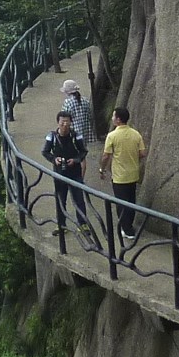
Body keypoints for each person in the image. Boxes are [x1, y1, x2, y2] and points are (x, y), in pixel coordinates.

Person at [98, 106, 146, 242]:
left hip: (120, 175)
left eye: (114, 116)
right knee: (131, 200)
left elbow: (106, 156)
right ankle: (128, 225)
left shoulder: (112, 136)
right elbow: (142, 153)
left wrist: (102, 169)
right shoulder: (135, 134)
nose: (112, 118)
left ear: (118, 119)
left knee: (121, 202)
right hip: (133, 173)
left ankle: (126, 229)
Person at [42, 111, 91, 235]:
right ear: (58, 122)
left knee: (79, 199)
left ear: (71, 122)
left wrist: (75, 160)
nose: (65, 124)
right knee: (60, 199)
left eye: (67, 121)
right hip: (59, 173)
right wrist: (54, 159)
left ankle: (83, 224)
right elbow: (45, 152)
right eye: (62, 121)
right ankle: (61, 225)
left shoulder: (76, 136)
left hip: (75, 173)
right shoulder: (51, 137)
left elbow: (83, 151)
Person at [60, 79, 95, 147]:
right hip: (85, 130)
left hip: (73, 131)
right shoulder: (85, 100)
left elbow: (64, 118)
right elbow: (89, 116)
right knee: (82, 150)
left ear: (67, 92)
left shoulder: (67, 102)